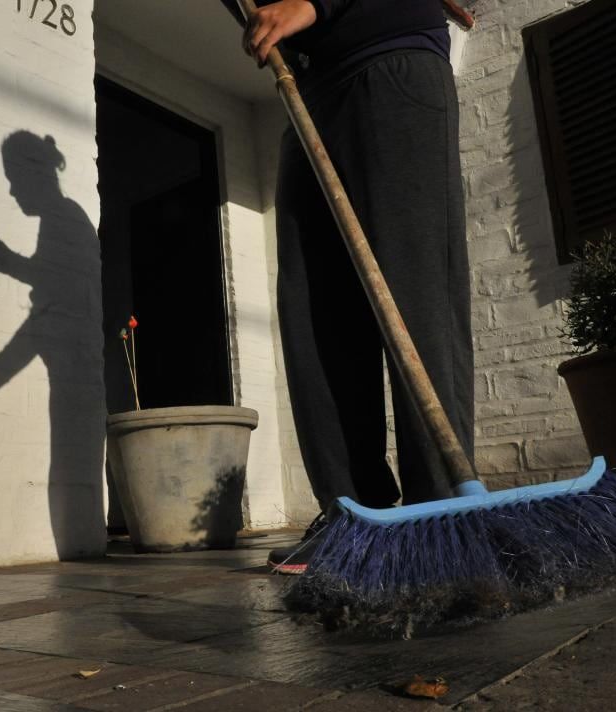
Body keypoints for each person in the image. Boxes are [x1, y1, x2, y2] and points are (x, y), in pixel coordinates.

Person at [238, 0, 474, 574]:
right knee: (316, 305)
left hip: (389, 58)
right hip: (308, 88)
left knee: (414, 290)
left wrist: (318, 3)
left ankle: (440, 510)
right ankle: (353, 512)